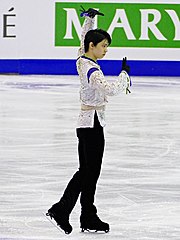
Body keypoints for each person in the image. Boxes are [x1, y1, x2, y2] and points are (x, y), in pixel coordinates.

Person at [46, 7, 131, 234]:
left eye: (107, 46)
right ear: (92, 46)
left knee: (89, 172)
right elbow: (110, 90)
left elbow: (84, 40)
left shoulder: (81, 59)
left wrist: (89, 20)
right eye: (103, 46)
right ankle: (62, 209)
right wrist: (124, 76)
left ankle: (87, 216)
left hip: (87, 123)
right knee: (87, 172)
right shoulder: (92, 70)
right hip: (92, 125)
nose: (105, 50)